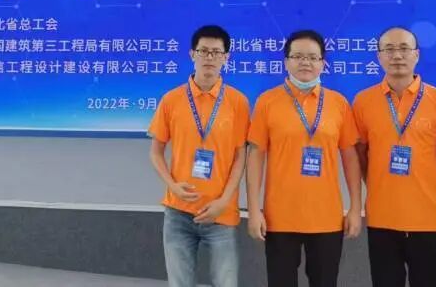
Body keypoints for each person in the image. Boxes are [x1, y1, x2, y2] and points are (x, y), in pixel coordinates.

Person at [246, 29, 362, 287]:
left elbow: (350, 158)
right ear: (286, 61)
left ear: (323, 63)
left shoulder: (338, 103)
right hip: (279, 217)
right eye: (298, 56)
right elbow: (255, 156)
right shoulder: (267, 101)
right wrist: (254, 210)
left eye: (312, 57)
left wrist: (355, 208)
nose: (305, 62)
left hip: (327, 218)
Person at [352, 27, 436, 287]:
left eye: (404, 49)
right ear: (379, 57)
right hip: (382, 217)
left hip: (427, 217)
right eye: (389, 49)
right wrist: (377, 181)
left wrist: (428, 180)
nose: (397, 56)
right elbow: (360, 153)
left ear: (416, 55)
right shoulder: (363, 101)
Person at [148, 24, 250, 287]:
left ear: (226, 57)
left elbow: (240, 157)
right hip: (178, 212)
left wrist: (224, 201)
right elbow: (156, 152)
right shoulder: (171, 100)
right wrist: (172, 186)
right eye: (204, 51)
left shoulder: (238, 102)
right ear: (192, 54)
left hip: (220, 213)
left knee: (225, 282)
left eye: (216, 52)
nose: (209, 58)